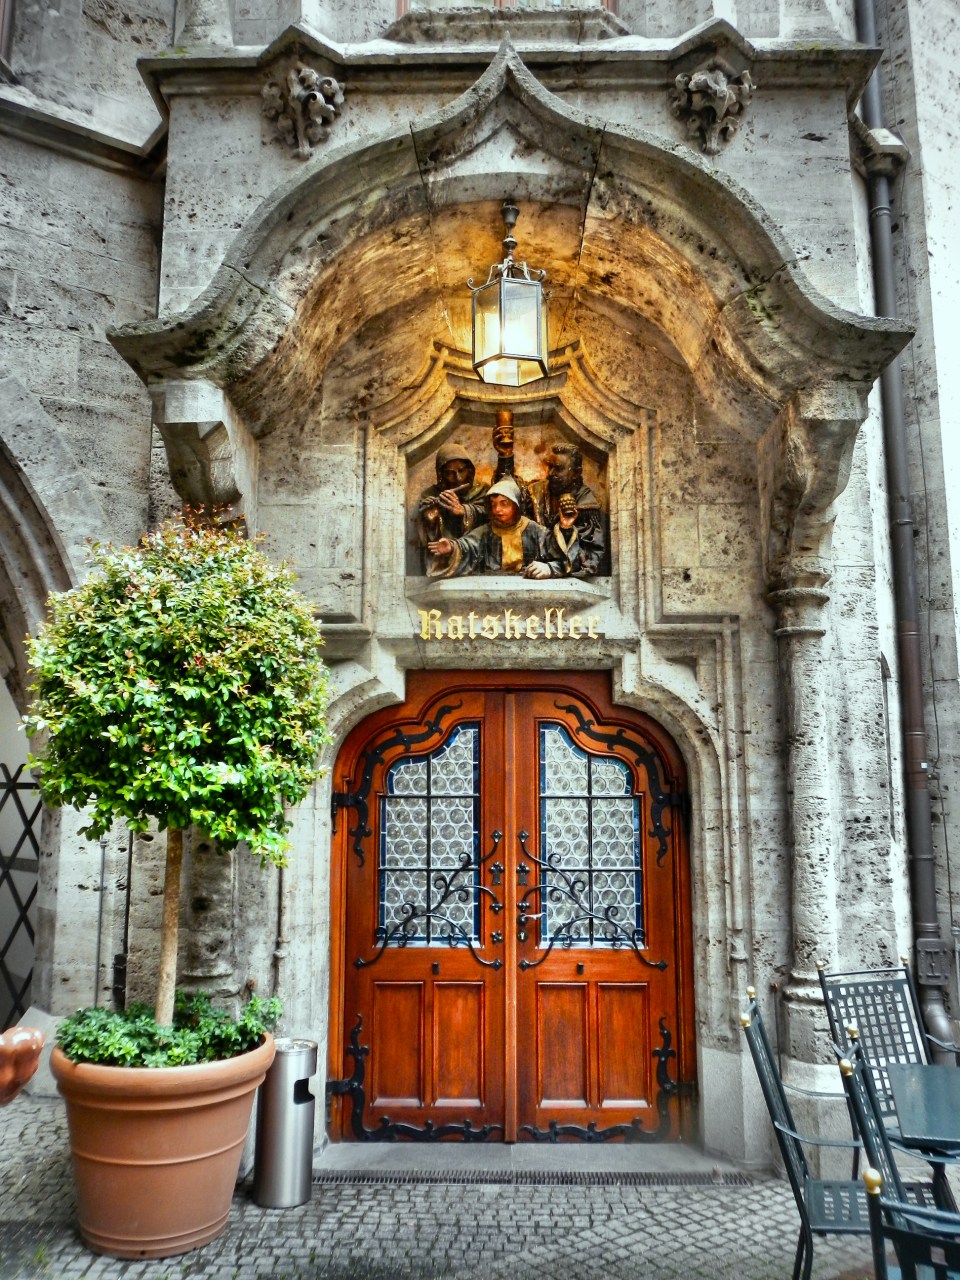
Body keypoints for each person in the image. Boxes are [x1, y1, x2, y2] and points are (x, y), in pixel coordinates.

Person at [491, 413, 607, 578]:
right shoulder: (538, 491)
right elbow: (508, 496)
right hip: (524, 571)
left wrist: (553, 569)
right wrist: (505, 456)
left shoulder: (587, 506)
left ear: (576, 473)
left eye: (558, 468)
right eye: (549, 467)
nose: (551, 474)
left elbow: (590, 558)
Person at [425, 478, 571, 579]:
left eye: (504, 503)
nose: (497, 510)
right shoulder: (486, 531)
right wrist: (451, 547)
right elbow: (468, 546)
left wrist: (549, 568)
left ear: (516, 505)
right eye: (493, 504)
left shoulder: (534, 530)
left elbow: (563, 554)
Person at [416, 442, 489, 570]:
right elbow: (426, 536)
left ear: (470, 470)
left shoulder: (483, 491)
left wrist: (464, 511)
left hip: (476, 554)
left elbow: (492, 520)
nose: (458, 478)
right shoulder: (430, 494)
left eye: (461, 470)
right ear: (441, 475)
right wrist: (431, 519)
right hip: (444, 557)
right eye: (450, 473)